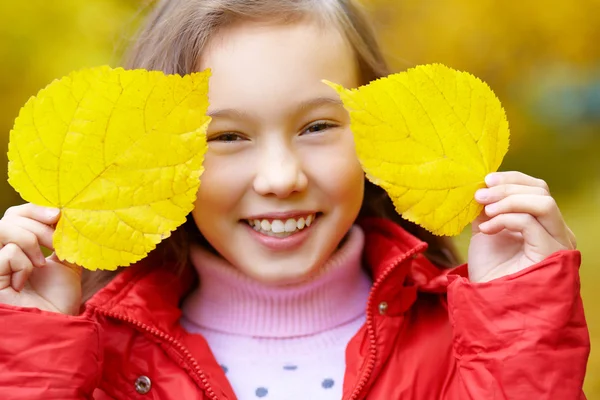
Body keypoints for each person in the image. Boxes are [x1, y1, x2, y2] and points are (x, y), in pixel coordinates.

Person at [0, 0, 589, 399]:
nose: (281, 177)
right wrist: (35, 349)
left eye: (317, 127)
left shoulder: (468, 338)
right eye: (226, 137)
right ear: (149, 159)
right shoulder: (97, 353)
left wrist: (520, 320)